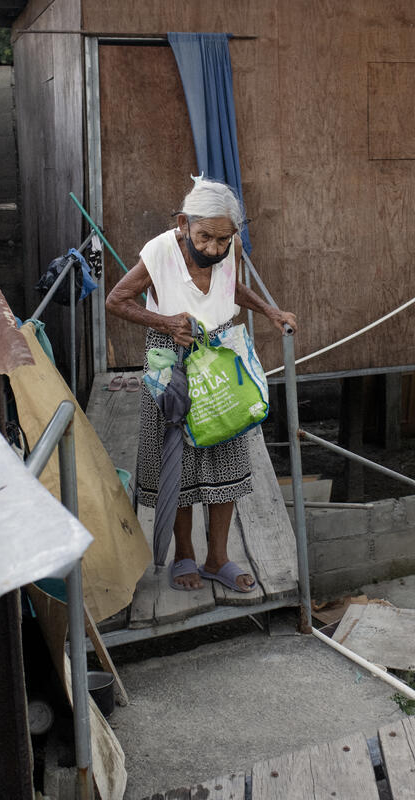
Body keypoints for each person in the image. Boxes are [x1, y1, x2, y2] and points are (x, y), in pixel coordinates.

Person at [105, 176, 297, 592]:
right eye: (204, 237)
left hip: (219, 355)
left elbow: (231, 286)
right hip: (170, 357)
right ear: (183, 223)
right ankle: (185, 555)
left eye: (223, 239)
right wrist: (166, 321)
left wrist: (269, 310)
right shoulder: (159, 251)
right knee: (177, 459)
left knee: (225, 454)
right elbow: (116, 300)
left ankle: (217, 559)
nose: (213, 248)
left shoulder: (230, 249)